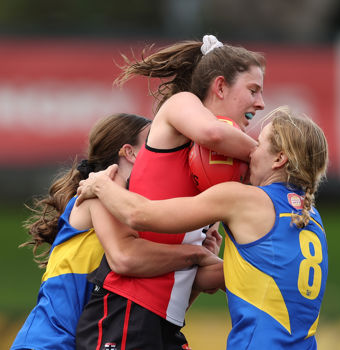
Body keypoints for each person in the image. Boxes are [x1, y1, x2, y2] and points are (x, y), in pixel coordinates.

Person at [77, 106, 329, 349]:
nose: (250, 152)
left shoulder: (246, 200)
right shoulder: (312, 218)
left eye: (259, 144)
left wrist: (100, 184)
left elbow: (138, 214)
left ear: (279, 159)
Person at [75, 34, 265, 350]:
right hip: (126, 309)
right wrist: (270, 159)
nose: (260, 103)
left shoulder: (221, 171)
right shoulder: (182, 104)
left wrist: (261, 270)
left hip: (165, 323)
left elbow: (194, 277)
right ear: (220, 87)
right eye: (253, 90)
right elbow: (211, 132)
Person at [10, 113, 219, 350]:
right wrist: (195, 255)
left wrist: (197, 268)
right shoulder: (99, 190)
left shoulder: (134, 218)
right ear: (129, 152)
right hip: (48, 342)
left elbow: (154, 307)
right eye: (152, 144)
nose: (163, 150)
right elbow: (124, 258)